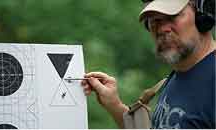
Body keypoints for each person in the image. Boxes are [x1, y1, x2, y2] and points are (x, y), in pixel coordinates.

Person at [81, 0, 216, 129]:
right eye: (155, 21)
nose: (162, 29)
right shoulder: (178, 76)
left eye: (172, 17)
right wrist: (114, 105)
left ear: (203, 16)